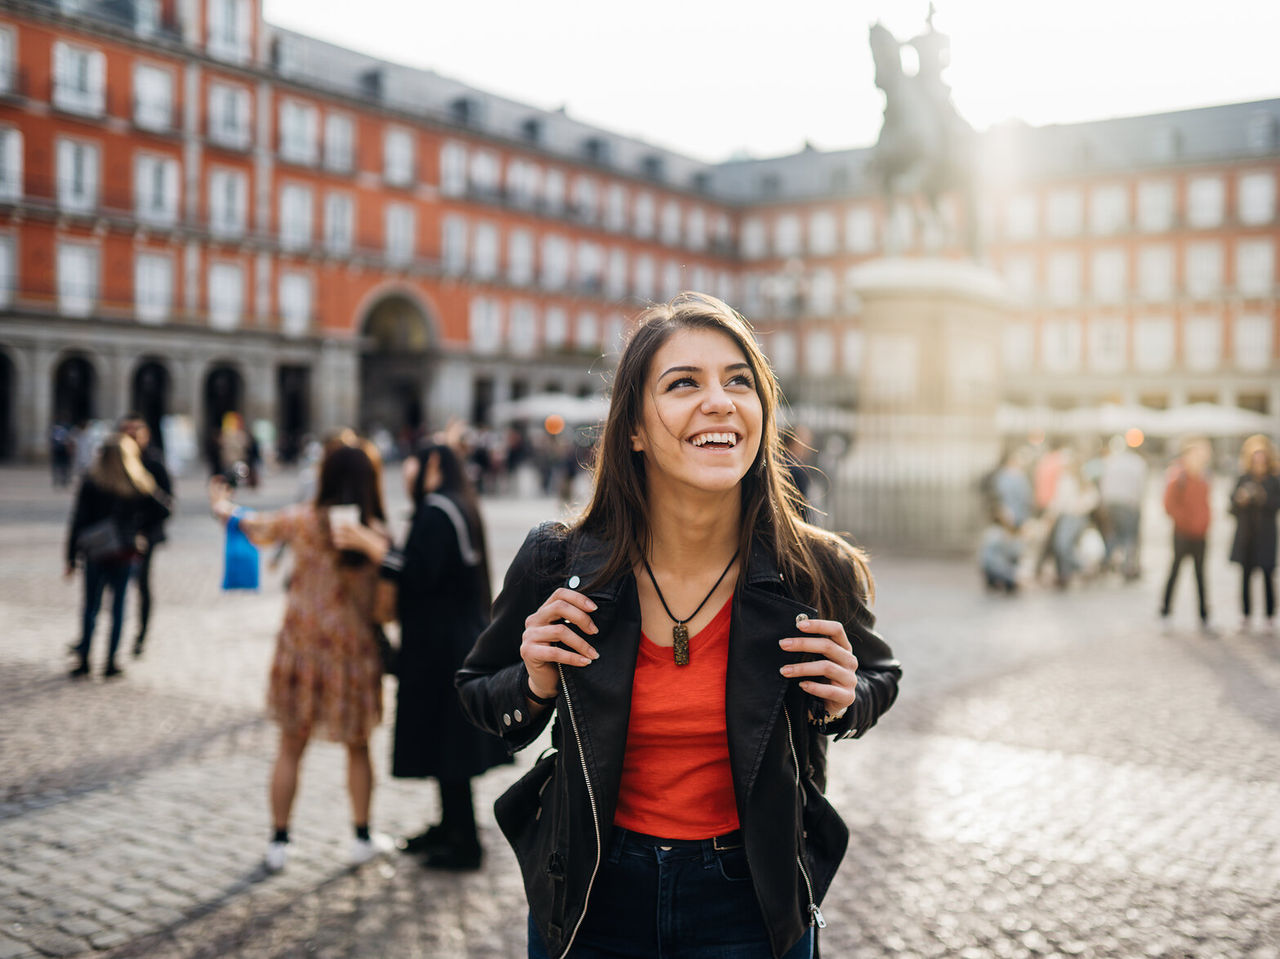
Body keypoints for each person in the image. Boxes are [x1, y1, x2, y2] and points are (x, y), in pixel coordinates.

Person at [456, 293, 902, 959]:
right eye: (683, 383)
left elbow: (877, 673)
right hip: (591, 893)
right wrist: (535, 680)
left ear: (760, 414)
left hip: (752, 900)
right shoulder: (558, 559)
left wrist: (848, 698)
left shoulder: (815, 567)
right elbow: (479, 687)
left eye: (739, 381)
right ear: (634, 426)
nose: (720, 400)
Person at [208, 443, 391, 872]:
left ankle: (279, 841)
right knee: (359, 745)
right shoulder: (375, 532)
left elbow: (249, 525)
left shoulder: (303, 518)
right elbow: (388, 606)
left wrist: (220, 501)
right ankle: (362, 836)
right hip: (353, 652)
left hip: (302, 647)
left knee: (291, 745)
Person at [336, 443, 511, 870]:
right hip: (452, 641)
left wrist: (373, 548)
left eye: (412, 461)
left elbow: (418, 574)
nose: (405, 470)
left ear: (431, 464)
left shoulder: (437, 509)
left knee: (448, 745)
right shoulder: (454, 504)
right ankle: (449, 825)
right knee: (444, 742)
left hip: (442, 647)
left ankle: (464, 842)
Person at [65, 434, 170, 679]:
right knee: (119, 607)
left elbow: (77, 521)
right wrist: (140, 529)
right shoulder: (138, 481)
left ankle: (85, 660)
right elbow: (164, 509)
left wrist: (70, 557)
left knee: (91, 605)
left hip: (96, 551)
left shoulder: (92, 481)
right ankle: (111, 662)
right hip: (126, 551)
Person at [118, 413, 173, 657]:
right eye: (125, 433)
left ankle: (141, 635)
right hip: (117, 534)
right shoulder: (113, 462)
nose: (129, 437)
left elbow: (168, 504)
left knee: (142, 585)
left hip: (145, 535)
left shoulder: (154, 463)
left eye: (134, 433)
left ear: (145, 436)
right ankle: (110, 636)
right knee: (114, 585)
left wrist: (145, 524)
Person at [1160, 437, 1214, 632]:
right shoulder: (1177, 476)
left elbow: (1205, 505)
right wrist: (1186, 522)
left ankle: (1204, 616)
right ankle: (1165, 612)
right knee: (1175, 571)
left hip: (1200, 534)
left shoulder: (1204, 477)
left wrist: (1205, 523)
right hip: (1182, 533)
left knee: (1201, 575)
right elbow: (1168, 505)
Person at [1228, 434, 1280, 632]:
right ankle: (1246, 614)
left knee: (1268, 574)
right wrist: (1241, 499)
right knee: (1246, 575)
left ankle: (1269, 615)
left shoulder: (1274, 480)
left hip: (1266, 535)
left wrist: (1263, 498)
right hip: (1247, 534)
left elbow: (1276, 504)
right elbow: (1231, 507)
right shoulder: (1243, 478)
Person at [1099, 436, 1147, 581]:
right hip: (1128, 503)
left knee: (1113, 535)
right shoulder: (1138, 463)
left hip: (1111, 502)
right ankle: (1128, 567)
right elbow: (1141, 486)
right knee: (1129, 536)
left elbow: (1103, 483)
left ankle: (1106, 562)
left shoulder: (1110, 461)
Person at [980, 507, 1022, 594]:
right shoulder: (1003, 535)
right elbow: (1013, 553)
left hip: (986, 567)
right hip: (998, 568)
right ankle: (1008, 582)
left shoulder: (990, 531)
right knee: (1012, 579)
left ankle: (993, 581)